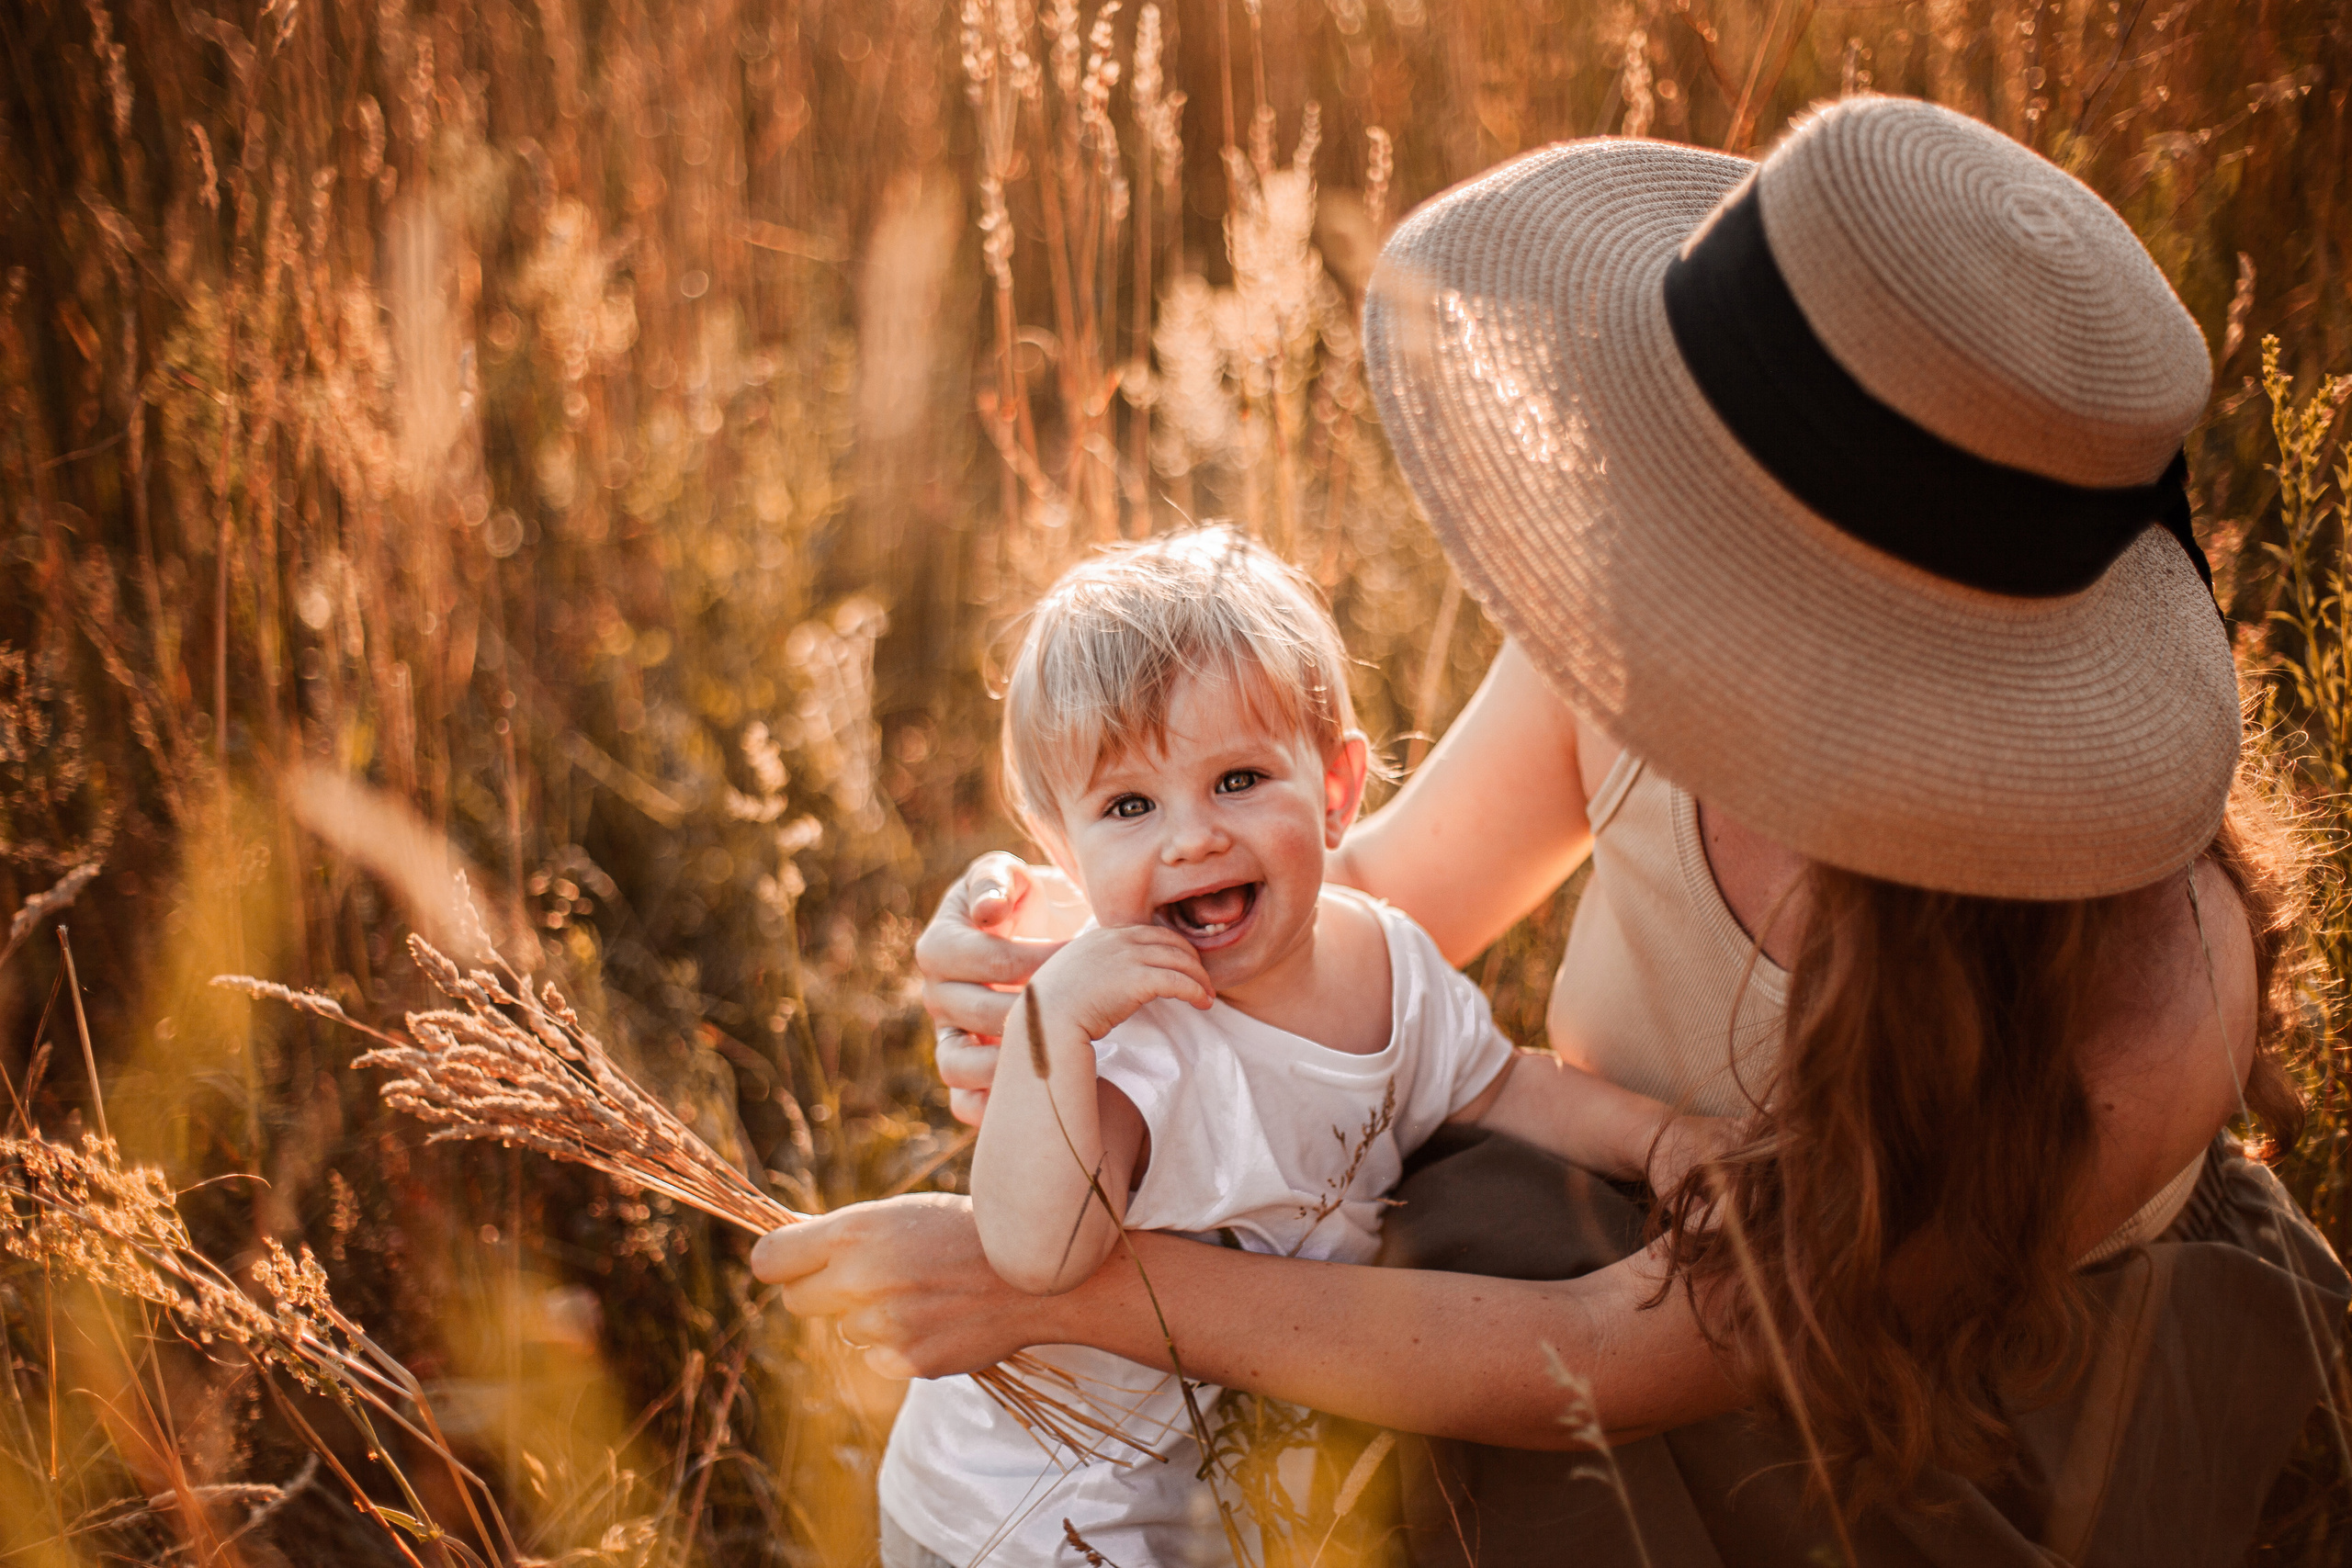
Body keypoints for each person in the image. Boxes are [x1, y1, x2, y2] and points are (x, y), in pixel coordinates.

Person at [756, 96, 2351, 1565]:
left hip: (1926, 1409)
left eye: (1702, 495)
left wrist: (1090, 1291)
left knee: (1438, 1294)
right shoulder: (1654, 628)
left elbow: (1614, 1353)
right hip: (1603, 1240)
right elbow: (1372, 895)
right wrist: (1085, 969)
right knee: (1432, 1228)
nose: (1633, 512)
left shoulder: (2150, 988)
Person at [882, 527, 1715, 1567]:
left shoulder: (1391, 963)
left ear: (1334, 792)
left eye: (1236, 780)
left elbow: (1508, 1085)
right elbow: (1033, 1251)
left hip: (1212, 1491)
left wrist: (1663, 1140)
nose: (1191, 838)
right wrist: (1051, 1026)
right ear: (1063, 847)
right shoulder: (1133, 1025)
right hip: (1023, 1514)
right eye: (1128, 807)